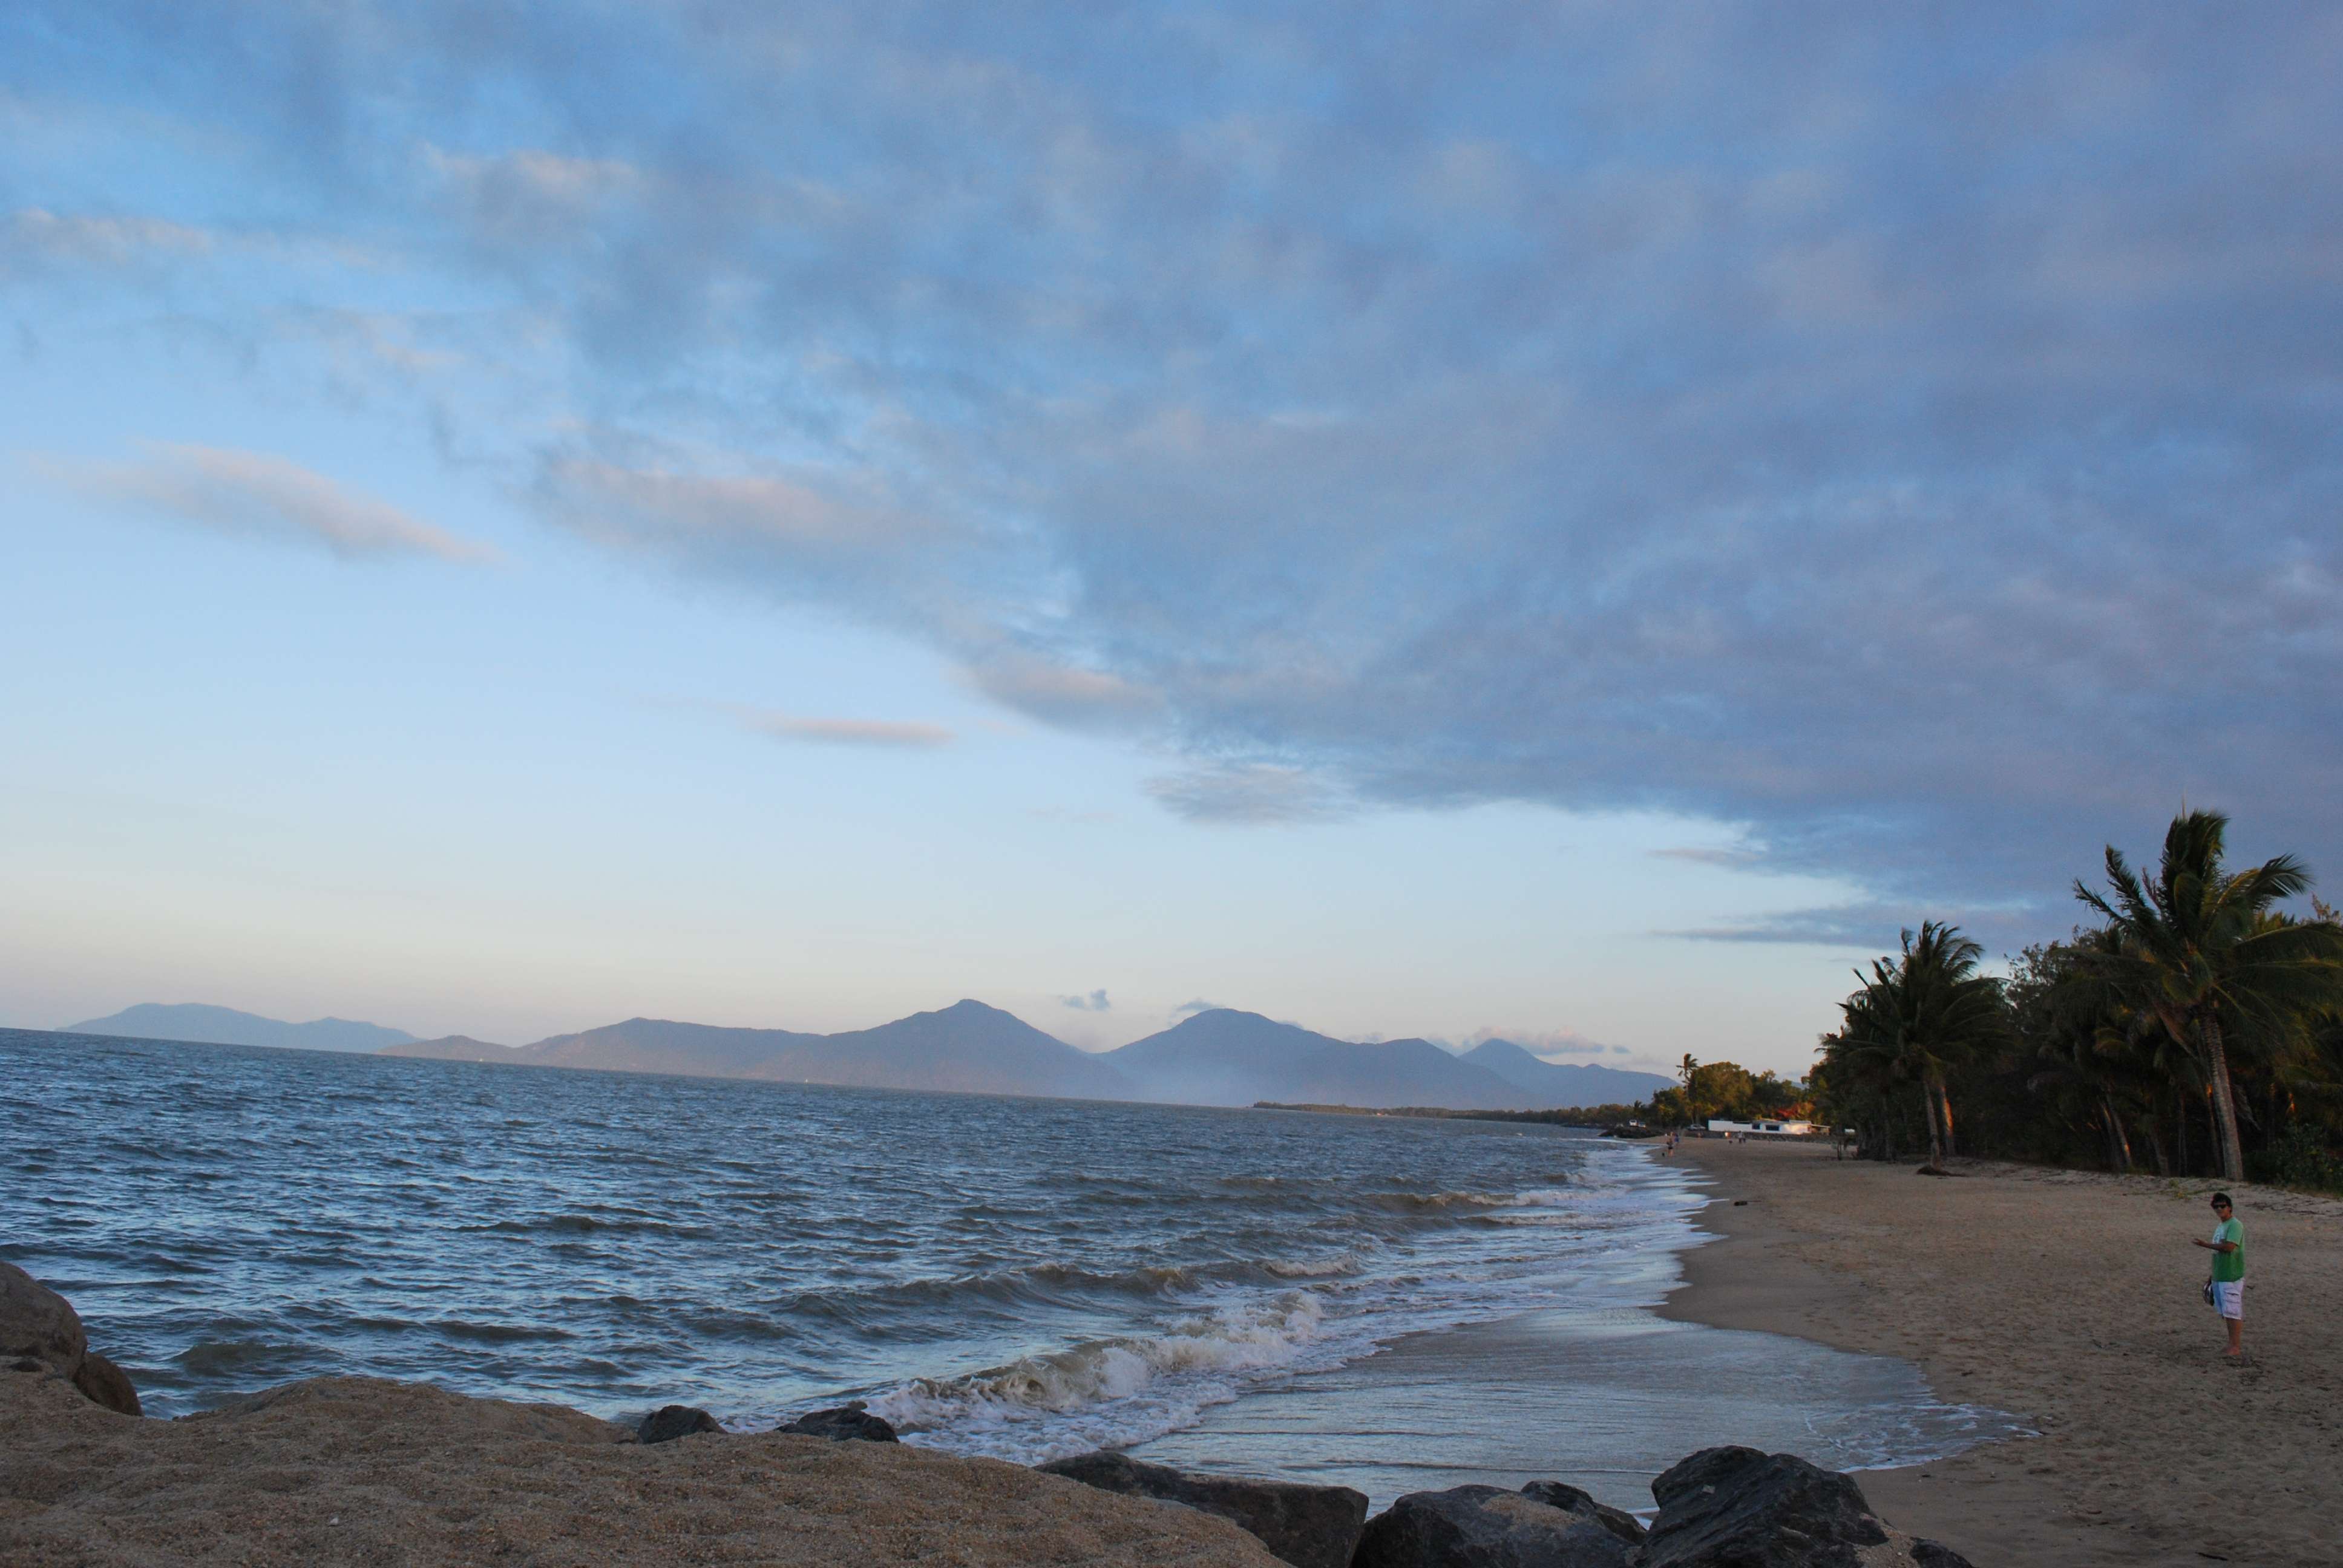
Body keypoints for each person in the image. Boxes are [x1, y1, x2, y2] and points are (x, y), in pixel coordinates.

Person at [2193, 1192, 2246, 1359]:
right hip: (2220, 1275)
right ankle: (2231, 1344)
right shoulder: (2221, 1226)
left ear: (2229, 1207)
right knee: (2226, 1311)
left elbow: (2230, 1247)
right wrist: (2212, 1276)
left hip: (2231, 1276)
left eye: (2222, 1206)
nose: (2219, 1209)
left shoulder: (2235, 1225)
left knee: (2233, 1311)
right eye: (2216, 1207)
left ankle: (2235, 1347)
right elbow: (2218, 1253)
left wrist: (2205, 1245)